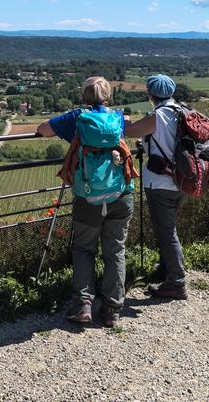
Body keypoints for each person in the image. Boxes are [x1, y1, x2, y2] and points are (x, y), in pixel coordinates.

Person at [36, 76, 135, 327]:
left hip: (88, 194)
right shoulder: (117, 118)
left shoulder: (77, 118)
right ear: (108, 97)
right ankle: (112, 308)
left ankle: (83, 305)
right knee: (115, 250)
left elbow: (43, 129)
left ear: (84, 96)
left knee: (83, 249)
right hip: (121, 192)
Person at [124, 74, 188, 300]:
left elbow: (129, 131)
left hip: (160, 182)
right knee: (168, 227)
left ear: (151, 94)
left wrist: (124, 120)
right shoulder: (183, 111)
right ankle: (166, 270)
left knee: (166, 231)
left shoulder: (158, 115)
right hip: (182, 178)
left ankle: (177, 282)